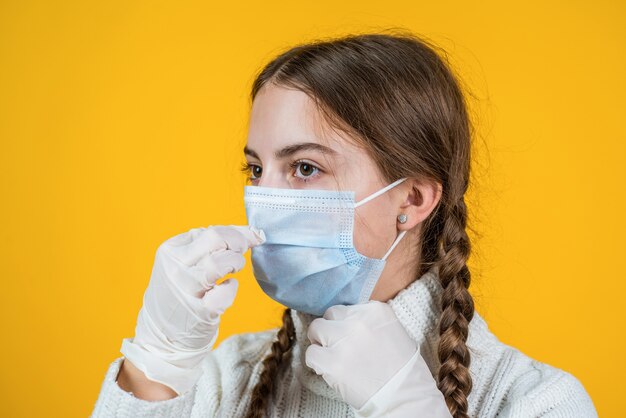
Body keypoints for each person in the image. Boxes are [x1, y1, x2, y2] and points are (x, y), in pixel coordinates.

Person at [91, 31, 598, 418]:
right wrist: (157, 364)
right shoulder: (223, 379)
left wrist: (408, 408)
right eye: (256, 169)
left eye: (305, 168)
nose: (265, 198)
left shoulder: (533, 399)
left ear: (413, 198)